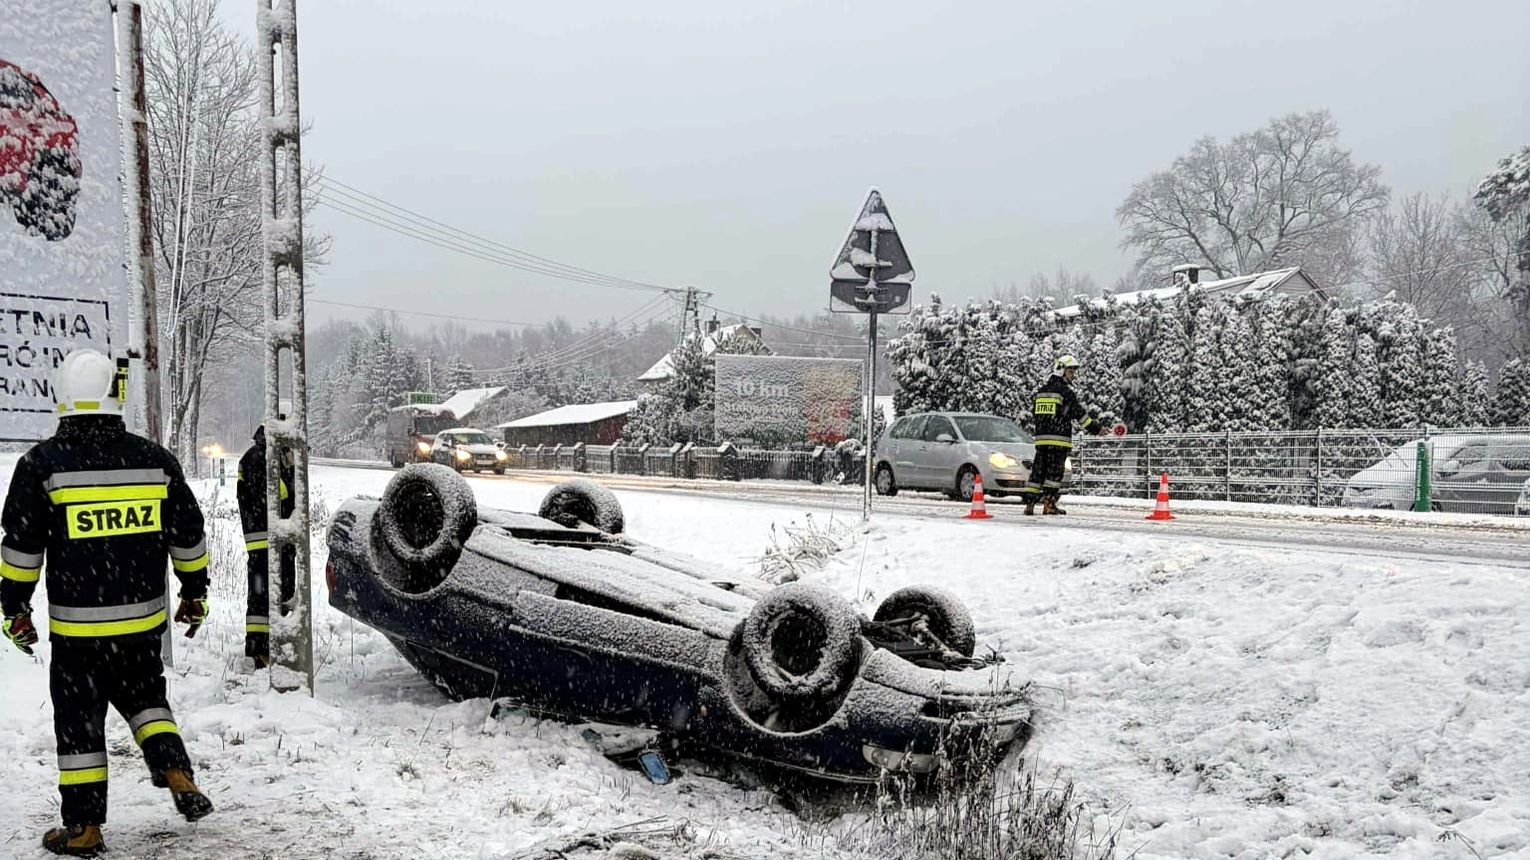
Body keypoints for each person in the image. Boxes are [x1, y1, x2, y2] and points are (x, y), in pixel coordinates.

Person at [1, 349, 214, 857]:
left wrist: (14, 607)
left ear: (62, 399)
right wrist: (194, 592)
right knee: (146, 702)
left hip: (78, 633)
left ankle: (84, 829)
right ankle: (176, 771)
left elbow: (21, 548)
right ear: (115, 399)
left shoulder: (41, 466)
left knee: (80, 725)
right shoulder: (155, 462)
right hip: (143, 624)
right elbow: (188, 536)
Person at [236, 420, 294, 668]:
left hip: (266, 537)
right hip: (267, 538)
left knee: (268, 592)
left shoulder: (257, 456)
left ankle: (266, 644)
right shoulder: (263, 459)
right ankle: (261, 650)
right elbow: (276, 497)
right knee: (267, 594)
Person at [1022, 354, 1104, 516]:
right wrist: (1097, 429)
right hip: (1059, 440)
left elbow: (1036, 415)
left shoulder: (1041, 391)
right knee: (1054, 473)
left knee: (1038, 471)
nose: (1073, 375)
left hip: (1041, 440)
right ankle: (1049, 504)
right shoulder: (1065, 393)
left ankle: (1030, 504)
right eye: (1071, 371)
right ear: (1061, 370)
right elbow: (1081, 415)